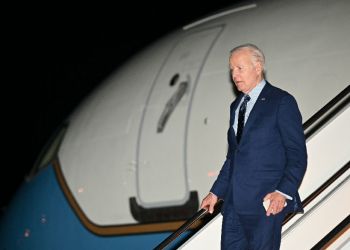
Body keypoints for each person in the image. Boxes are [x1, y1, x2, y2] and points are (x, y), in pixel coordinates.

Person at [200, 44, 307, 249]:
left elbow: (297, 153)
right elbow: (234, 156)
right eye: (232, 69)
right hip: (233, 206)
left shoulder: (281, 101)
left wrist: (283, 192)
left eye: (240, 68)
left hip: (264, 205)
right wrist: (216, 193)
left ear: (258, 68)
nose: (234, 74)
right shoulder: (236, 106)